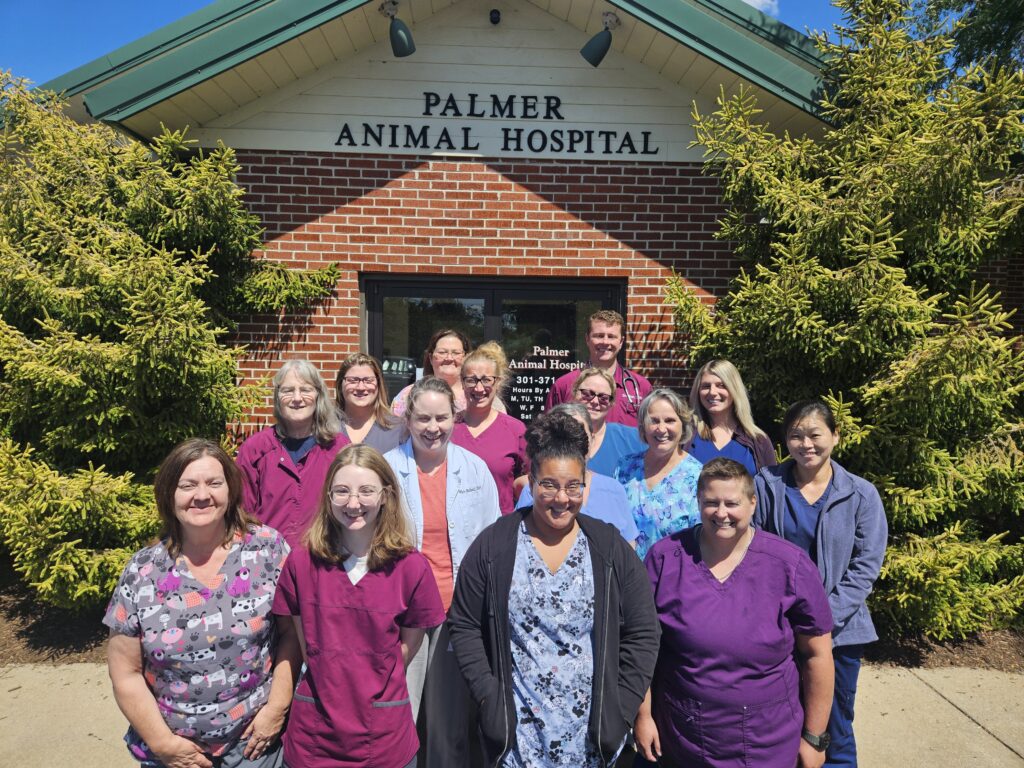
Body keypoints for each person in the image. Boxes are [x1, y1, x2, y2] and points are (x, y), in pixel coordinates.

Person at [449, 410, 661, 767]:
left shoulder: (608, 549)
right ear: (531, 482)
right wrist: (488, 695)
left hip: (591, 743)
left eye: (573, 486)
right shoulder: (495, 546)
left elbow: (643, 631)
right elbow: (465, 623)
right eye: (548, 485)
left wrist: (622, 706)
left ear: (585, 485)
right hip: (517, 743)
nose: (561, 498)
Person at [105, 439, 300, 768]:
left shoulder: (268, 549)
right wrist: (163, 744)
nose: (202, 495)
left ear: (231, 490)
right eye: (187, 485)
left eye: (214, 483)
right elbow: (125, 673)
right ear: (169, 493)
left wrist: (276, 710)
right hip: (173, 751)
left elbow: (292, 634)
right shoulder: (142, 570)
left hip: (254, 744)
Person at [635, 458, 835, 768]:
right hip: (683, 737)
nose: (721, 513)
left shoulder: (789, 565)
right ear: (698, 501)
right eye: (711, 503)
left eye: (732, 503)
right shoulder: (665, 558)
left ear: (752, 503)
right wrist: (643, 716)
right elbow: (642, 646)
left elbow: (817, 655)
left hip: (767, 741)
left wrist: (814, 737)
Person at [272, 444, 446, 768]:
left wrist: (368, 674)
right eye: (342, 491)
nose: (353, 503)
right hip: (314, 740)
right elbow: (305, 647)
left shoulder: (410, 567)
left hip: (384, 739)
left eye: (366, 490)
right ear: (328, 497)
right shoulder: (301, 563)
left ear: (385, 495)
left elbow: (407, 648)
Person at [755, 400, 888, 768]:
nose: (806, 444)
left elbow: (865, 567)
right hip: (779, 627)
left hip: (839, 634)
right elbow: (753, 549)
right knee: (779, 724)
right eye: (796, 436)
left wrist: (821, 620)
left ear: (835, 436)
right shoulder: (766, 486)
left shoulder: (860, 494)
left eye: (815, 434)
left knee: (834, 729)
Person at [384, 376, 501, 766]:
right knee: (398, 715)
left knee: (448, 725)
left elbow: (491, 542)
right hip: (402, 616)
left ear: (455, 418)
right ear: (408, 420)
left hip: (456, 614)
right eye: (423, 418)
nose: (433, 427)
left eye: (441, 418)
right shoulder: (387, 470)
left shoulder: (475, 469)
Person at [237, 360, 349, 548]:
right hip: (267, 556)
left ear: (318, 395)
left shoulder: (339, 448)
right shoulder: (255, 449)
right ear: (277, 397)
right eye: (288, 390)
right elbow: (242, 512)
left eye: (305, 390)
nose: (297, 398)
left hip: (324, 554)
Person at [516, 402, 639, 545]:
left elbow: (628, 545)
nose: (572, 443)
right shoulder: (533, 490)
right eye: (564, 436)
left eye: (578, 433)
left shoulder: (614, 490)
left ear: (592, 440)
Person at [616, 389, 703, 559]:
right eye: (654, 421)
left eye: (670, 420)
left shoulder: (698, 476)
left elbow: (701, 540)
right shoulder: (625, 468)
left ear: (683, 425)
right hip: (625, 572)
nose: (661, 429)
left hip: (674, 572)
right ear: (643, 426)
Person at [451, 341, 528, 515]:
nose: (479, 388)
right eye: (471, 380)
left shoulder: (516, 430)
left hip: (500, 525)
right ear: (462, 383)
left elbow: (529, 480)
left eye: (486, 380)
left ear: (498, 382)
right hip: (454, 525)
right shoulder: (448, 428)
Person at [544, 309, 652, 426]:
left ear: (621, 342)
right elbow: (547, 432)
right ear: (587, 339)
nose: (605, 342)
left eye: (611, 336)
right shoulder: (564, 385)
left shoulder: (641, 387)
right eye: (599, 336)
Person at [686, 359, 776, 475]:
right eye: (706, 386)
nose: (712, 392)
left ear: (735, 389)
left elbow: (771, 484)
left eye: (721, 385)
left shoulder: (758, 441)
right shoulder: (686, 435)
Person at [571, 367, 645, 477]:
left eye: (603, 398)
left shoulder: (633, 439)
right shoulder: (555, 436)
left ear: (611, 403)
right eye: (587, 394)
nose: (595, 401)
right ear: (574, 394)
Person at [336, 352, 404, 454]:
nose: (361, 387)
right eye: (353, 380)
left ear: (379, 384)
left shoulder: (398, 429)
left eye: (368, 380)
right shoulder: (325, 427)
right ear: (340, 384)